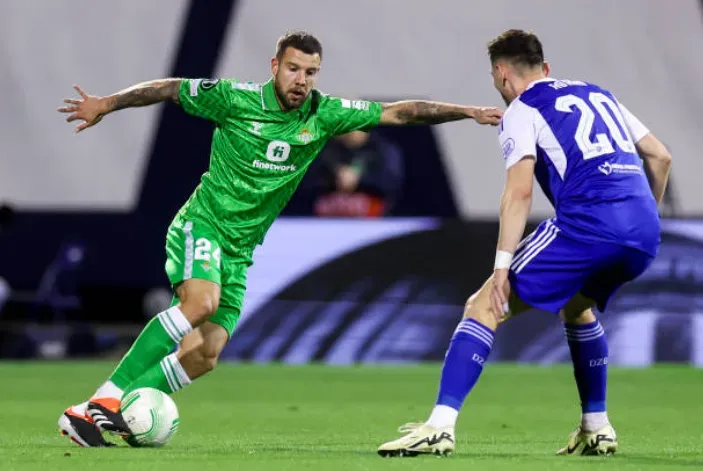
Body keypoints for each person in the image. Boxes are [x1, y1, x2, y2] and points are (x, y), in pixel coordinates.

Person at [55, 30, 502, 447]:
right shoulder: (234, 99)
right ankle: (104, 399)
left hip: (241, 249)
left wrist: (467, 112)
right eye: (293, 69)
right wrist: (107, 104)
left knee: (205, 354)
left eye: (310, 72)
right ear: (274, 66)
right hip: (204, 223)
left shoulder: (324, 114)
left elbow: (402, 113)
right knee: (199, 304)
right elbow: (171, 88)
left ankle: (96, 413)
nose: (301, 80)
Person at [378, 29, 672, 458]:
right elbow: (660, 156)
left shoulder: (523, 108)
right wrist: (646, 217)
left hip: (589, 224)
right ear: (545, 68)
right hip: (645, 230)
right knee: (578, 306)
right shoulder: (598, 93)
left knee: (482, 305)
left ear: (500, 74)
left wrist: (501, 269)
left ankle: (439, 426)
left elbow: (518, 193)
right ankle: (597, 426)